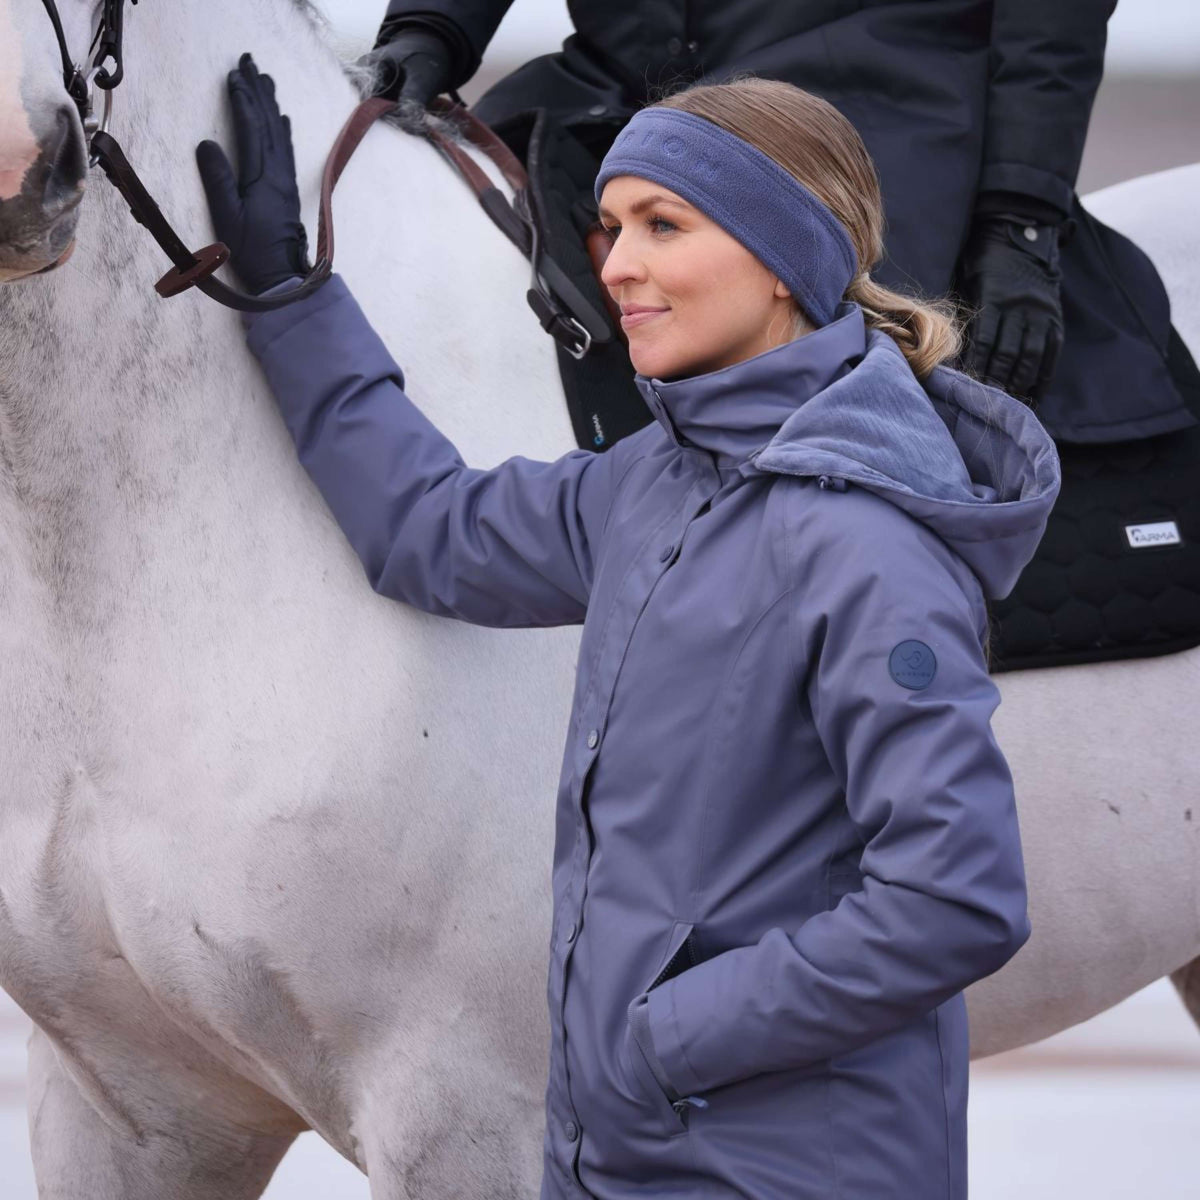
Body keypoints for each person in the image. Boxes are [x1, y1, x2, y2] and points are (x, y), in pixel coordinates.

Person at [196, 54, 1061, 1198]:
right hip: (622, 1162)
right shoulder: (651, 480)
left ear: (783, 257)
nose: (619, 265)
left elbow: (957, 894)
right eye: (610, 226)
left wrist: (665, 1042)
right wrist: (292, 300)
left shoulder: (866, 546)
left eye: (664, 224)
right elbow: (429, 529)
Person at [369, 0, 1199, 447]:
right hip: (617, 90)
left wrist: (1020, 213)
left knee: (836, 336)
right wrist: (431, 29)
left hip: (871, 89)